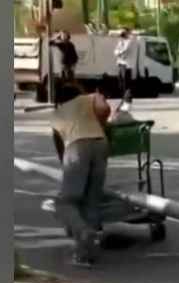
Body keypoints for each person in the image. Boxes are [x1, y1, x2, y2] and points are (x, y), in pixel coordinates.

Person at [50, 83, 112, 267]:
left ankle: (83, 231)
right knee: (92, 200)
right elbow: (105, 110)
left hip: (76, 147)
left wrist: (68, 169)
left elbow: (60, 147)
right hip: (101, 144)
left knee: (64, 202)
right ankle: (87, 254)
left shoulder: (57, 114)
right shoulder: (90, 98)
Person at [114, 28, 135, 97]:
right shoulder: (120, 42)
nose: (122, 36)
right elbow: (116, 51)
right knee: (121, 79)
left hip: (126, 64)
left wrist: (119, 52)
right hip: (120, 63)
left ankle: (127, 94)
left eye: (123, 34)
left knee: (126, 80)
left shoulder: (129, 41)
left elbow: (125, 50)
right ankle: (124, 94)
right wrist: (119, 52)